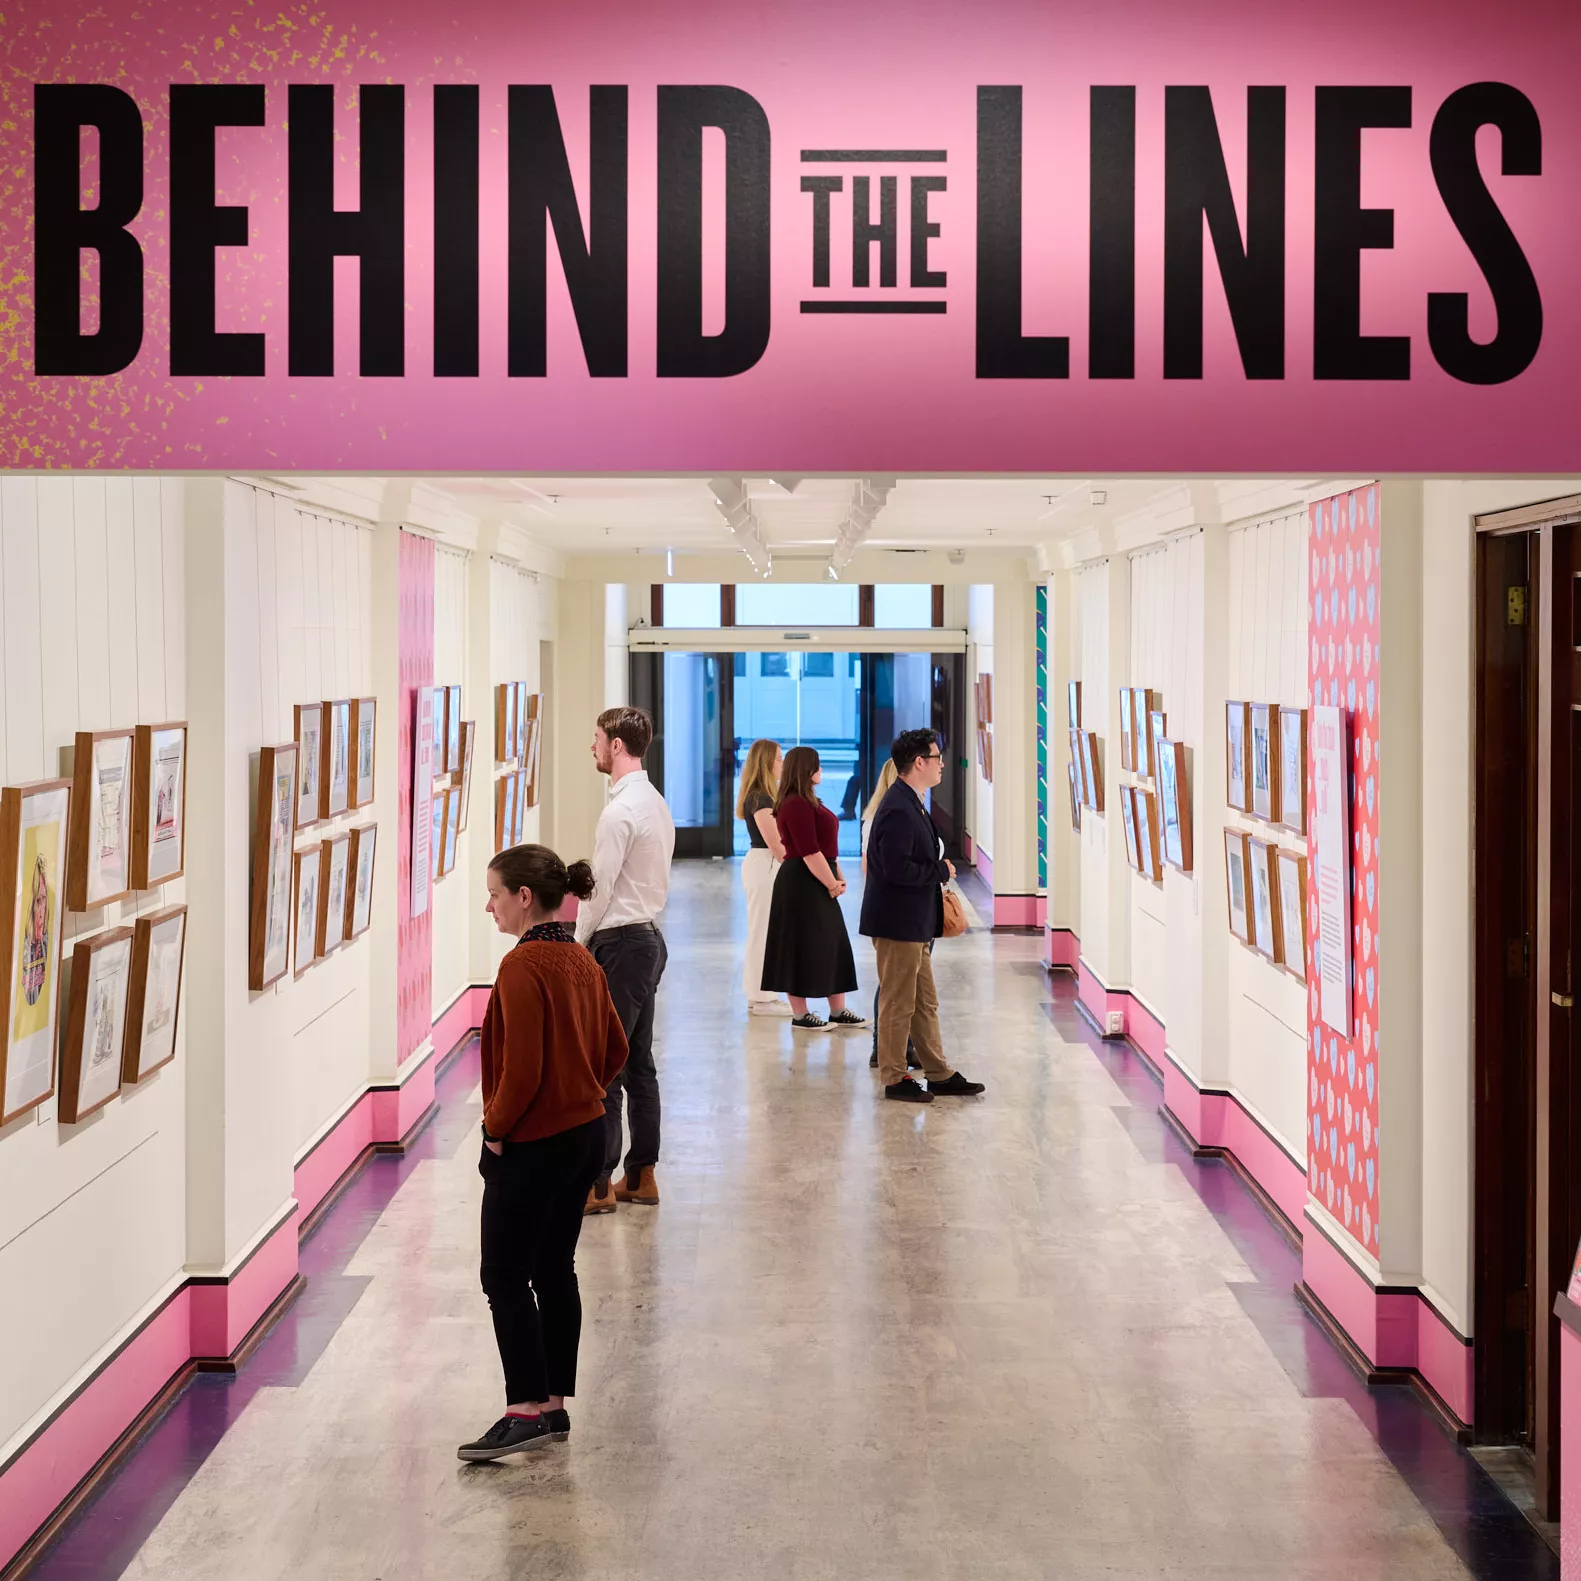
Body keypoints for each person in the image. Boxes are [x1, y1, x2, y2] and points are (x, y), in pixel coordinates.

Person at [458, 844, 628, 1462]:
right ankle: (553, 1406)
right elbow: (616, 1050)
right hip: (585, 1134)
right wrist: (581, 1087)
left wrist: (494, 1129)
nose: (490, 905)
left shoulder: (521, 968)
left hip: (533, 1141)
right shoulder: (582, 959)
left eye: (496, 893)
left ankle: (523, 1408)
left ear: (524, 898)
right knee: (554, 1268)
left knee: (503, 1274)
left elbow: (521, 1072)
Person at [577, 706, 676, 1214]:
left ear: (617, 745)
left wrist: (576, 945)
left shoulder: (619, 813)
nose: (591, 746)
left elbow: (598, 891)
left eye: (596, 738)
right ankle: (640, 1176)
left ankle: (596, 1184)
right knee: (638, 1063)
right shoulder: (655, 803)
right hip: (648, 942)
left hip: (621, 946)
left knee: (605, 1065)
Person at [861, 728, 986, 1102]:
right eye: (937, 758)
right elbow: (896, 869)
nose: (942, 764)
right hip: (897, 922)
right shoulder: (898, 807)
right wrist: (941, 871)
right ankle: (895, 1077)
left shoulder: (910, 800)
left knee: (924, 1001)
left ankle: (938, 1072)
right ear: (919, 762)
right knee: (899, 1001)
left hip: (914, 922)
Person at [761, 746, 865, 1030]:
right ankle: (800, 1014)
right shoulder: (795, 804)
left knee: (832, 943)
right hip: (802, 881)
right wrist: (831, 882)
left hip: (818, 876)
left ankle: (838, 1010)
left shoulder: (809, 800)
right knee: (800, 946)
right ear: (807, 770)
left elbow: (825, 849)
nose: (822, 771)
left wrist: (837, 877)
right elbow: (808, 851)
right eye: (818, 766)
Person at [861, 760, 920, 1073]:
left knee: (906, 984)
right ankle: (883, 1048)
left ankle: (905, 1046)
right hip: (897, 912)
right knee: (893, 983)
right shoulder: (887, 816)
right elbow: (878, 868)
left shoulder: (911, 811)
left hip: (915, 911)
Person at [737, 738, 790, 1016]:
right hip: (764, 866)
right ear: (767, 762)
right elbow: (777, 845)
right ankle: (761, 997)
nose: (783, 763)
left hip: (765, 865)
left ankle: (764, 994)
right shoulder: (761, 798)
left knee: (768, 931)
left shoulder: (766, 795)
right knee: (762, 932)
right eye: (779, 758)